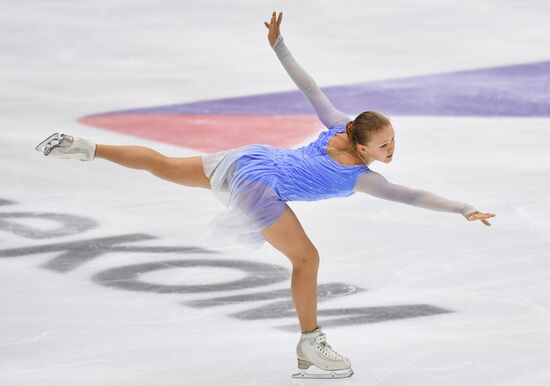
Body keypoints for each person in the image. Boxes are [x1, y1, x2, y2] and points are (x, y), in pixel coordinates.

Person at [35, 11, 496, 379]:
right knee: (307, 260)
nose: (392, 150)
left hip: (250, 160)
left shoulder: (340, 124)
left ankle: (86, 149)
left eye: (392, 141)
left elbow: (309, 86)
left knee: (163, 166)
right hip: (261, 184)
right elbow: (412, 196)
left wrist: (279, 46)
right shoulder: (360, 176)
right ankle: (311, 343)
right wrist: (463, 208)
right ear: (360, 146)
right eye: (384, 145)